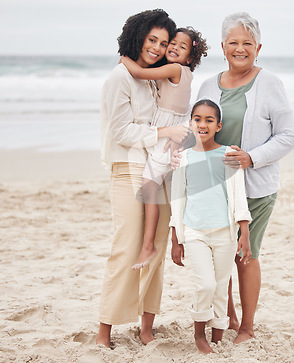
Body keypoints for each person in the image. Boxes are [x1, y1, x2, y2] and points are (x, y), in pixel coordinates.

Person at [171, 12, 294, 343]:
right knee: (218, 259)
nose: (240, 49)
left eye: (247, 43)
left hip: (255, 188)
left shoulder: (270, 84)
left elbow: (288, 136)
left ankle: (247, 328)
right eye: (233, 43)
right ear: (223, 46)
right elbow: (197, 127)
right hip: (214, 189)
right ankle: (227, 319)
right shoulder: (209, 84)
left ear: (258, 47)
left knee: (246, 255)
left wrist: (251, 158)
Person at [97, 9, 179, 348]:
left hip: (158, 170)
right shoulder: (120, 78)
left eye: (163, 43)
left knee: (155, 251)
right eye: (152, 40)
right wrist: (163, 131)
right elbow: (120, 131)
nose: (157, 48)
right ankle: (104, 331)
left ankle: (146, 327)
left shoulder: (154, 78)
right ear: (138, 37)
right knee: (128, 248)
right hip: (128, 168)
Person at [120, 26, 208, 270]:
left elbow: (139, 73)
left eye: (182, 47)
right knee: (172, 188)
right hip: (175, 126)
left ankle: (149, 244)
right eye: (173, 43)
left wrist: (124, 58)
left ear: (189, 57)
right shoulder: (186, 72)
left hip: (167, 129)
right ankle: (176, 236)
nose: (174, 48)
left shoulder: (174, 68)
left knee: (149, 187)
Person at [169, 98, 252, 353]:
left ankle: (217, 335)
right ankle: (199, 334)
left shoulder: (228, 154)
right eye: (197, 119)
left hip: (225, 233)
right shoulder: (182, 159)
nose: (202, 124)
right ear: (190, 123)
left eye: (209, 120)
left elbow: (238, 195)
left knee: (220, 284)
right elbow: (177, 198)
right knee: (204, 284)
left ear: (219, 125)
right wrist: (176, 238)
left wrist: (244, 233)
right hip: (195, 232)